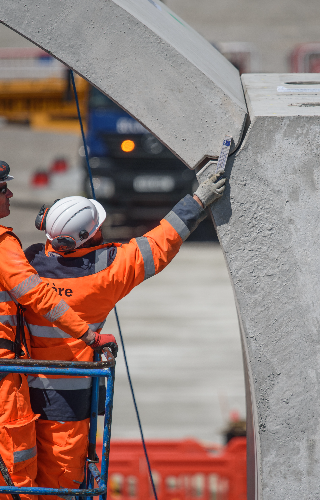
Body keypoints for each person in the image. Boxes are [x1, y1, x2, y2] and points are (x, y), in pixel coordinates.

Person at [0, 152, 116, 500]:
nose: (10, 195)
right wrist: (88, 333)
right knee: (15, 473)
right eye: (2, 190)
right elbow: (37, 296)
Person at [23, 172, 227, 496]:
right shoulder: (106, 273)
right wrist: (198, 201)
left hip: (15, 394)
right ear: (89, 235)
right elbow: (161, 243)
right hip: (67, 406)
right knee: (61, 484)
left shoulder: (25, 265)